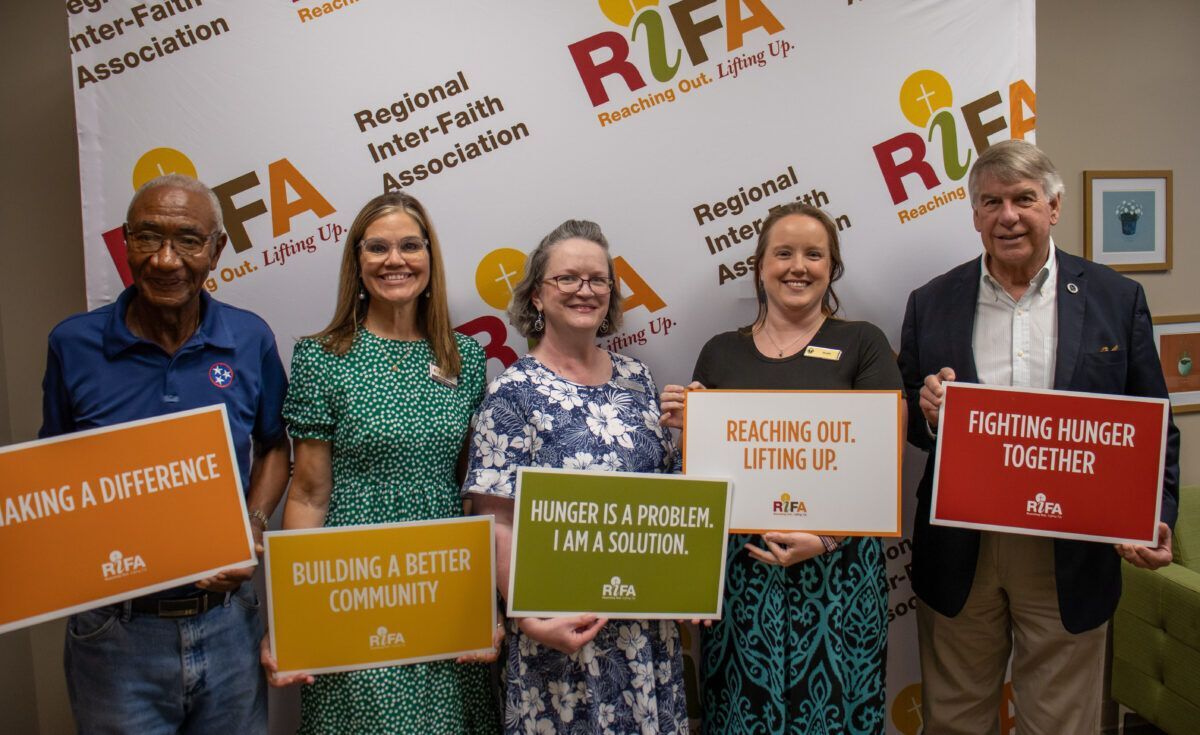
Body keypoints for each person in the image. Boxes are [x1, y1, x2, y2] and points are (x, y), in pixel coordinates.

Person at [897, 139, 1180, 734]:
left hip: (1071, 547)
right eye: (991, 201)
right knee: (954, 718)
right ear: (974, 214)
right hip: (962, 545)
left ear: (1052, 208)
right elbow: (910, 423)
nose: (1008, 216)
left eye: (1024, 199)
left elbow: (1154, 423)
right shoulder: (931, 303)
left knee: (1061, 722)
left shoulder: (1115, 298)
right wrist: (927, 414)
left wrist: (1154, 512)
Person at [40, 174, 290, 733]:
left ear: (217, 250)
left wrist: (250, 524)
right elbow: (50, 475)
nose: (165, 260)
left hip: (228, 624)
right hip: (114, 630)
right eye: (147, 238)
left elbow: (275, 445)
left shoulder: (249, 338)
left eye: (188, 240)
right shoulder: (73, 345)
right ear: (125, 243)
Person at [260, 192, 500, 733]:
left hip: (443, 582)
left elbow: (471, 492)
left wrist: (486, 604)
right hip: (351, 582)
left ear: (430, 261)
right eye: (378, 248)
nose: (396, 260)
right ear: (357, 263)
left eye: (410, 246)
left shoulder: (464, 358)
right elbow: (306, 493)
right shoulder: (321, 357)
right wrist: (291, 617)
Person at [660, 202, 902, 734]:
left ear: (831, 267)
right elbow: (702, 477)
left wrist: (828, 536)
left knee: (838, 713)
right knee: (743, 714)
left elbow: (883, 456)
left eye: (814, 254)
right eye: (784, 253)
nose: (799, 266)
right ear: (760, 265)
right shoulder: (720, 352)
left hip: (839, 569)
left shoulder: (863, 343)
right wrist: (689, 428)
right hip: (744, 572)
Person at [463, 219, 688, 734]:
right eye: (567, 279)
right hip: (558, 635)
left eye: (598, 280)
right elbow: (496, 520)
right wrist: (530, 617)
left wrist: (695, 433)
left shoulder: (639, 379)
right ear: (537, 296)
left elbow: (673, 496)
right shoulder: (512, 393)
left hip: (643, 631)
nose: (584, 290)